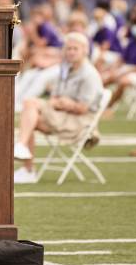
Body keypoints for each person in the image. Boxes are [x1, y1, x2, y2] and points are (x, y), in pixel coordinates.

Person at [13, 32, 103, 183]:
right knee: (29, 117)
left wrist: (65, 103)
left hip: (78, 122)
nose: (71, 52)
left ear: (85, 50)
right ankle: (27, 167)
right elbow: (55, 97)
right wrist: (60, 102)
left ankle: (24, 155)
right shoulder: (65, 68)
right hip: (61, 114)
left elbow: (82, 108)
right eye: (68, 49)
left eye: (75, 49)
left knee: (29, 105)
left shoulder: (89, 74)